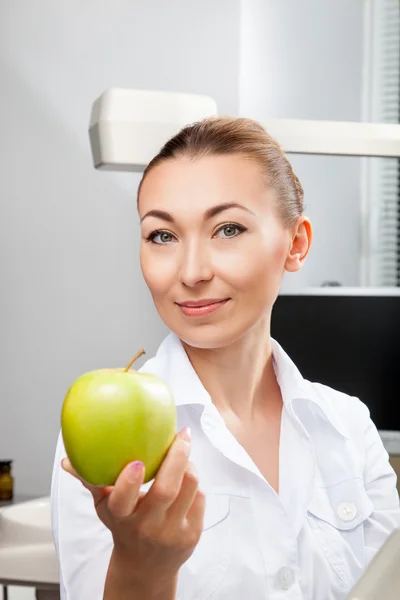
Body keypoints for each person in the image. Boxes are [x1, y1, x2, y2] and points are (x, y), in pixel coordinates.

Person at [50, 116, 400, 600]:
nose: (191, 272)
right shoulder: (100, 441)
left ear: (295, 244)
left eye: (227, 229)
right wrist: (141, 568)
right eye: (162, 236)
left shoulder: (348, 426)